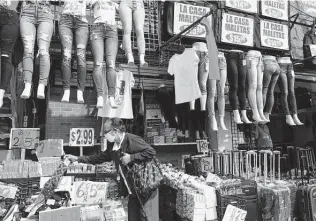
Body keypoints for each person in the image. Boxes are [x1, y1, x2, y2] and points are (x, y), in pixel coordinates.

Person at [66, 118, 158, 221]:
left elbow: (151, 151)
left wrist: (131, 157)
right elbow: (98, 158)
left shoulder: (131, 139)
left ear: (115, 130)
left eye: (106, 132)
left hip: (145, 187)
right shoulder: (112, 146)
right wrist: (78, 158)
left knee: (148, 217)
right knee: (133, 217)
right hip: (132, 189)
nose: (104, 135)